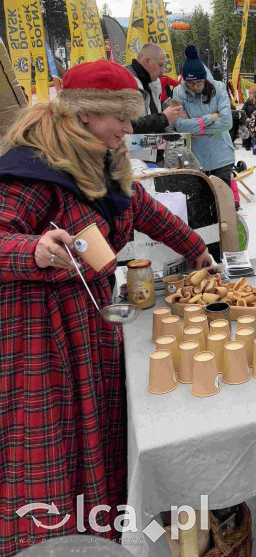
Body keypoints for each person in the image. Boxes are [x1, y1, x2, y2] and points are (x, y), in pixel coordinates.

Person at [0, 61, 211, 554]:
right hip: (40, 335)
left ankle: (101, 532)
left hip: (90, 320)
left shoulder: (102, 159)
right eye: (120, 118)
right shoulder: (32, 169)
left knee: (97, 436)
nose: (128, 129)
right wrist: (32, 250)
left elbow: (140, 207)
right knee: (53, 445)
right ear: (87, 115)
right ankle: (47, 543)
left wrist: (195, 248)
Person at [172, 45, 235, 186]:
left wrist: (197, 129)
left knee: (223, 202)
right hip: (195, 158)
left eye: (198, 82)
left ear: (205, 79)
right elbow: (181, 126)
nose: (194, 87)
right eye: (190, 83)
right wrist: (210, 118)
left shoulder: (218, 88)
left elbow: (226, 123)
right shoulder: (178, 93)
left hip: (221, 157)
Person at [126, 43, 184, 133]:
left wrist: (170, 135)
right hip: (132, 145)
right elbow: (129, 125)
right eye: (160, 65)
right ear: (147, 61)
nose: (163, 71)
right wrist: (164, 117)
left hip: (147, 145)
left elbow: (154, 122)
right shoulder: (126, 81)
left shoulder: (153, 82)